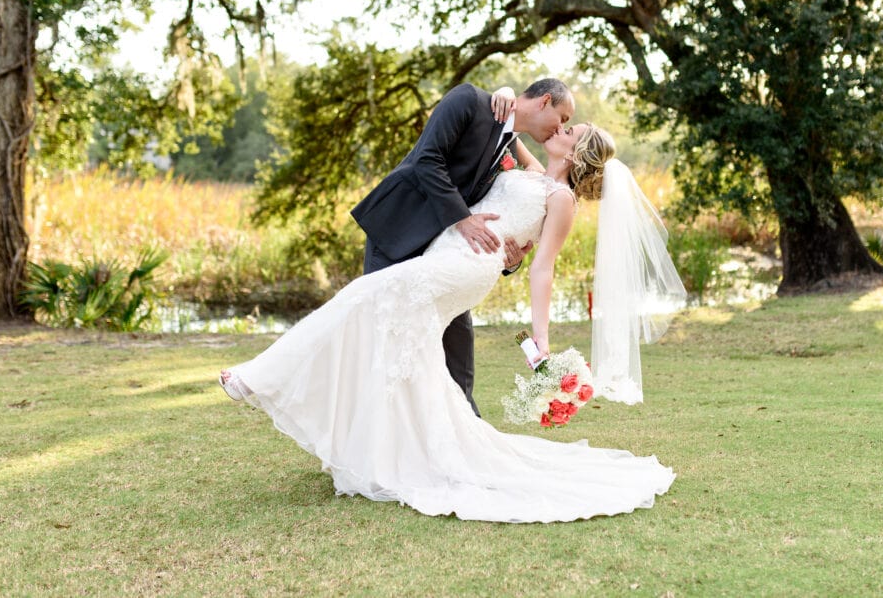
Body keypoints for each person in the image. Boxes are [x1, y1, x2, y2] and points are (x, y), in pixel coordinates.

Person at [219, 120, 686, 523]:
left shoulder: (561, 198)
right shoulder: (535, 174)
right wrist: (503, 96)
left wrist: (540, 337)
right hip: (450, 248)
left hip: (467, 266)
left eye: (570, 131)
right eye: (564, 124)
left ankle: (257, 379)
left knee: (364, 294)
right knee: (412, 350)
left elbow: (543, 266)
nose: (561, 130)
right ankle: (394, 454)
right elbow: (508, 132)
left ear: (578, 151)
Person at [350, 79, 574, 416]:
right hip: (400, 231)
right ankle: (370, 437)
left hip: (449, 256)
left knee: (459, 354)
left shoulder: (513, 148)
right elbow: (427, 159)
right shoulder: (469, 101)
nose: (562, 127)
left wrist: (510, 257)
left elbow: (516, 208)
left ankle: (466, 436)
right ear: (544, 101)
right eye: (563, 116)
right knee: (384, 338)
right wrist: (462, 220)